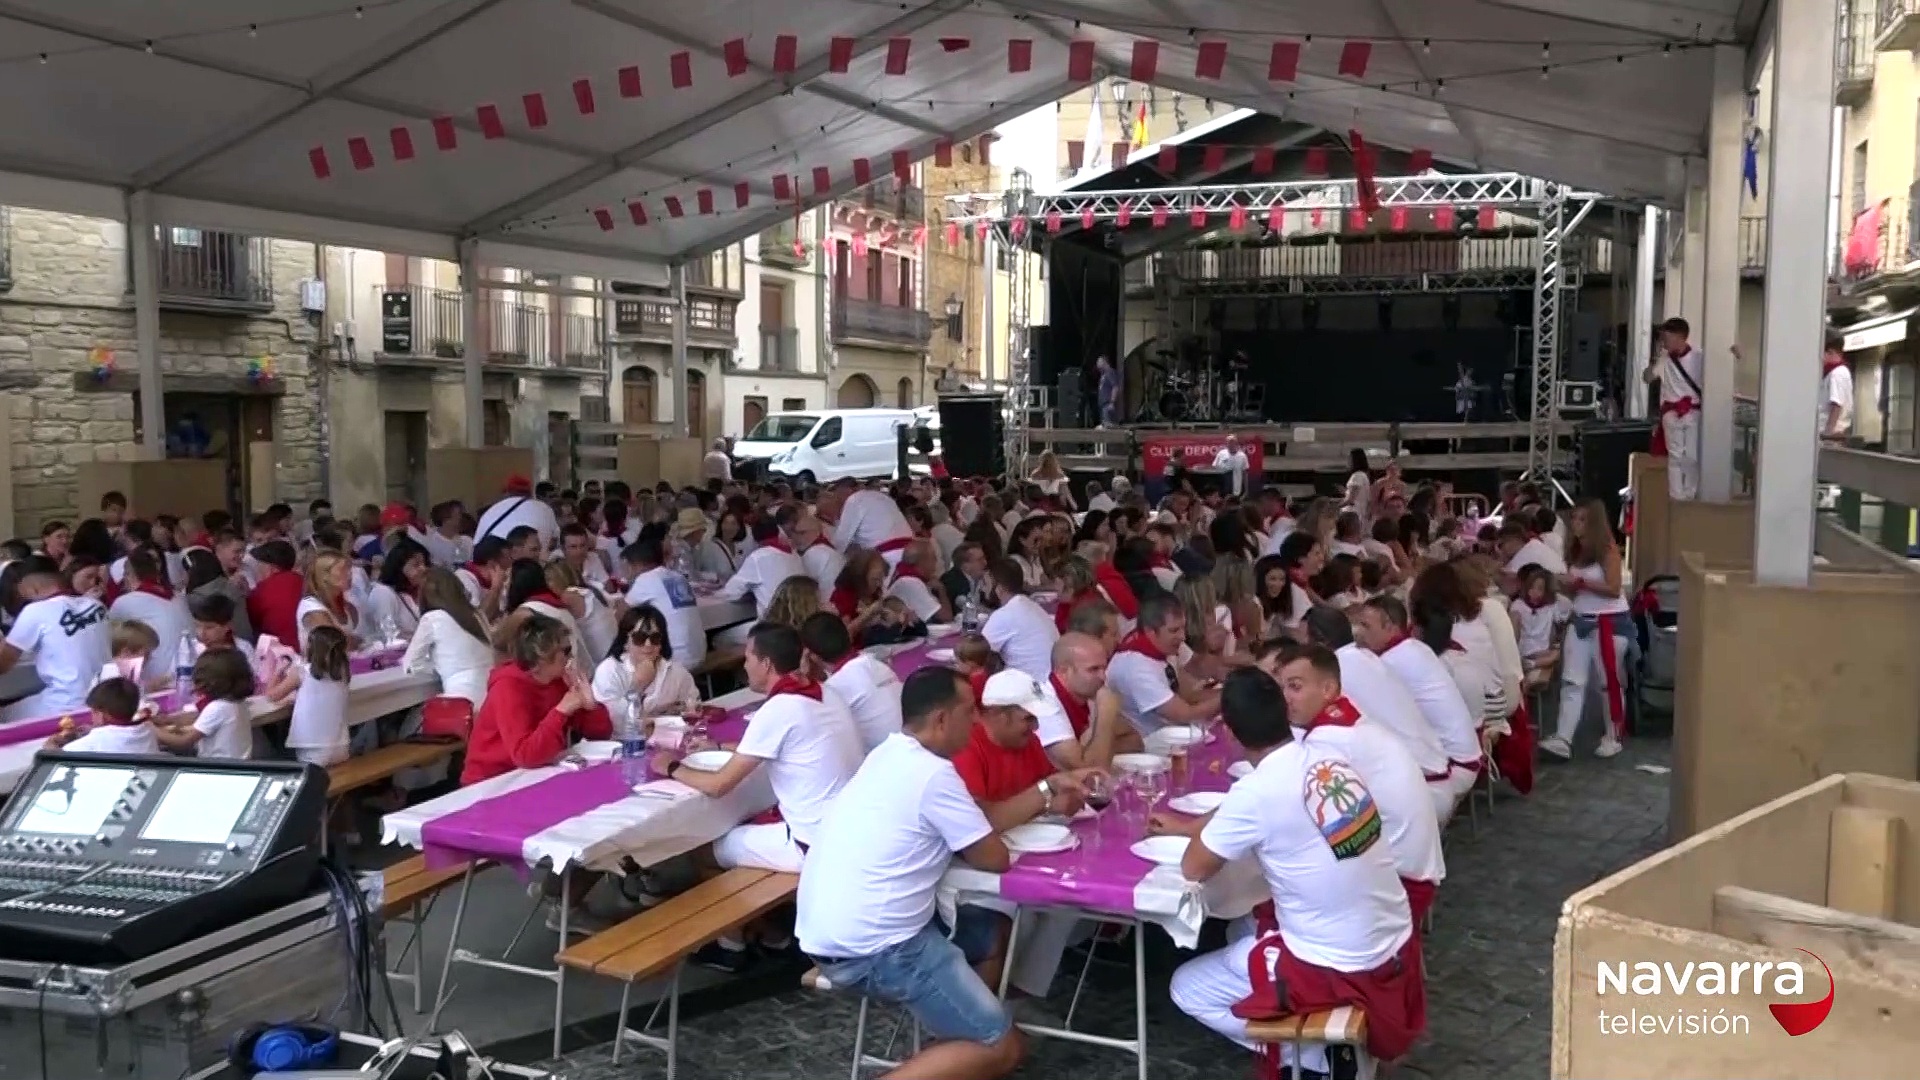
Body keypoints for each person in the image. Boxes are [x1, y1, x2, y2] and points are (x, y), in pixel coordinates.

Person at [1157, 668, 1424, 1079]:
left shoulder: (1258, 791)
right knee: (1245, 925)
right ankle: (1324, 1050)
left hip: (1338, 962)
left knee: (1187, 987)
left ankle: (1317, 1059)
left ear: (1229, 731)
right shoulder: (1327, 757)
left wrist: (1201, 829)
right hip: (1393, 936)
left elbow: (1193, 867)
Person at [795, 666, 1036, 1080]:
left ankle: (958, 1043)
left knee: (990, 931)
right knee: (1004, 1046)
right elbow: (995, 857)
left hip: (826, 934)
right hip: (883, 948)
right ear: (942, 720)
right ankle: (972, 1045)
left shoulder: (888, 753)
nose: (975, 720)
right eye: (968, 712)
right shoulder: (934, 774)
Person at [1260, 643, 1445, 924]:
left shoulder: (1330, 740)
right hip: (1413, 863)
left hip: (1399, 881)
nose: (1285, 698)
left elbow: (1288, 800)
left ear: (1328, 689)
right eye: (1282, 688)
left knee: (1277, 880)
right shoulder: (1346, 715)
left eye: (1295, 687)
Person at [664, 622, 862, 873]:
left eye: (748, 658)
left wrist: (671, 767)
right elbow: (782, 746)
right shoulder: (823, 691)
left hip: (815, 844)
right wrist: (717, 746)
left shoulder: (779, 709)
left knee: (705, 846)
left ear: (766, 663)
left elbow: (717, 786)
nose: (744, 666)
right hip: (852, 828)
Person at [1300, 606, 1454, 824]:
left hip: (1419, 790)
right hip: (1434, 776)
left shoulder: (1337, 673)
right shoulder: (1364, 657)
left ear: (1320, 643)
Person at [1353, 595, 1482, 809]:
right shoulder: (1414, 647)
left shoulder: (1392, 661)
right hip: (1466, 755)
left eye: (1366, 626)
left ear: (1390, 627)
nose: (1359, 632)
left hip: (1453, 766)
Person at [461, 614, 611, 785]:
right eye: (566, 651)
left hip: (533, 774)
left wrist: (590, 706)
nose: (571, 657)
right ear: (542, 658)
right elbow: (525, 755)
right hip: (490, 781)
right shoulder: (508, 688)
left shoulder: (557, 681)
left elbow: (600, 734)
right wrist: (560, 711)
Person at [1542, 498, 1631, 761]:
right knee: (1572, 680)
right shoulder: (1575, 550)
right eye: (1574, 519)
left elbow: (1614, 588)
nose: (1576, 524)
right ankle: (1563, 737)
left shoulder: (1608, 550)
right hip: (1581, 620)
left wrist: (1579, 582)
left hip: (1610, 623)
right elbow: (1579, 588)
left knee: (1609, 682)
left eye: (1583, 519)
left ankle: (1613, 735)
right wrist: (1564, 585)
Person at [0, 563, 112, 722]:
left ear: (31, 587)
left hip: (65, 704)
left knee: (3, 715)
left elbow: (3, 664)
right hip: (104, 699)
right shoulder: (97, 605)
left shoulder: (35, 611)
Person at [1106, 591, 1221, 736]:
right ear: (1150, 631)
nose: (1182, 636)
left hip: (1173, 734)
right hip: (1151, 747)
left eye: (1182, 628)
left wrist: (1230, 689)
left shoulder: (1159, 647)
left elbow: (1186, 695)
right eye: (1174, 630)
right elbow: (1185, 714)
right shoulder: (1136, 668)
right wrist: (1229, 697)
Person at [801, 611, 903, 752]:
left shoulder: (834, 689)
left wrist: (804, 678)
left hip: (882, 761)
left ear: (812, 656)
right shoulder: (877, 665)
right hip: (911, 752)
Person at [591, 604, 700, 728]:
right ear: (625, 642)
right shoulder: (609, 671)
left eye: (655, 638)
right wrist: (638, 685)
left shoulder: (676, 672)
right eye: (639, 638)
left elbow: (693, 708)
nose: (648, 644)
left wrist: (682, 710)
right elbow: (612, 723)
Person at [401, 568, 494, 706]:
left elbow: (410, 665)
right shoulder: (478, 615)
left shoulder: (432, 618)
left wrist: (441, 665)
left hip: (463, 702)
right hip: (492, 696)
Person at [263, 625, 352, 767]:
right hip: (341, 746)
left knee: (278, 749)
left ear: (311, 647)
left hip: (312, 750)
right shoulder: (343, 672)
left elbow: (271, 696)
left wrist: (278, 672)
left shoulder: (302, 671)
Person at [1035, 632, 1126, 770]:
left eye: (1104, 668)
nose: (1103, 677)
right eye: (1093, 669)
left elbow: (1134, 741)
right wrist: (1105, 718)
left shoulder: (1087, 694)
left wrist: (1091, 745)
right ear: (1063, 671)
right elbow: (1092, 776)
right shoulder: (1044, 706)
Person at [714, 518, 807, 646]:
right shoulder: (794, 555)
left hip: (770, 626)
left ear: (754, 537)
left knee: (718, 639)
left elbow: (731, 592)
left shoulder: (759, 556)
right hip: (798, 625)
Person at [621, 535, 707, 668]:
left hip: (674, 658)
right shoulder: (678, 576)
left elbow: (621, 615)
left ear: (636, 565)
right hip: (700, 653)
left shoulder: (646, 579)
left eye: (626, 567)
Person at [156, 648, 256, 759]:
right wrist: (170, 720)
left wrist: (151, 729)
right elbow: (203, 719)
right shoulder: (239, 703)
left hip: (218, 770)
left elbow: (183, 742)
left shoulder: (217, 708)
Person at [108, 547, 191, 678]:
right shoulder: (178, 597)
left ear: (130, 575)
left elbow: (109, 640)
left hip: (156, 678)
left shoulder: (124, 602)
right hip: (187, 668)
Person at [1646, 316, 1704, 501]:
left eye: (1667, 337)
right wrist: (1655, 359)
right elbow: (1648, 378)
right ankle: (1676, 495)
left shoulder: (1698, 356)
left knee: (1692, 455)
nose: (1664, 342)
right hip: (1671, 411)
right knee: (1675, 455)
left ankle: (1690, 492)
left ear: (1680, 336)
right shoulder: (1664, 358)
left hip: (1692, 410)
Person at [980, 558, 1058, 681]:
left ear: (999, 588)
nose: (983, 589)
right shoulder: (1031, 605)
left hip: (1031, 685)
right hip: (1048, 679)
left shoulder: (1005, 614)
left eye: (986, 584)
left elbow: (976, 652)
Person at [45, 677, 153, 755]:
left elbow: (59, 760)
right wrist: (92, 731)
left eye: (93, 712)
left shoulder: (91, 743)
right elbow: (119, 733)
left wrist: (50, 748)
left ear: (100, 715)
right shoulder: (147, 732)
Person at [820, 479, 914, 565]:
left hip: (888, 556)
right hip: (913, 551)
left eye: (836, 495)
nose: (836, 501)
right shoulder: (883, 497)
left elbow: (839, 544)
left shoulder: (854, 500)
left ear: (847, 490)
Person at [297, 550, 362, 651]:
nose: (350, 574)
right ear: (325, 576)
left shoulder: (346, 604)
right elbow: (336, 644)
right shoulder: (311, 608)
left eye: (349, 569)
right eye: (343, 570)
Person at [475, 474, 560, 549]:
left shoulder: (491, 511)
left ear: (506, 492)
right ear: (530, 493)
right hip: (536, 563)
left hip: (497, 562)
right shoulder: (544, 508)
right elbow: (555, 539)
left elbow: (476, 544)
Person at [366, 538, 428, 638]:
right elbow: (387, 635)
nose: (423, 568)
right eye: (416, 565)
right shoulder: (383, 592)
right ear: (399, 566)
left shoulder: (409, 593)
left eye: (424, 564)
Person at [887, 538, 952, 624]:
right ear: (923, 561)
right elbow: (946, 616)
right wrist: (941, 590)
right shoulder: (909, 582)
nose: (936, 562)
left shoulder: (913, 578)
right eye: (933, 558)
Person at [1096, 354, 1122, 426]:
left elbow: (1115, 387)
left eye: (1099, 362)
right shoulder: (1103, 375)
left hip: (1107, 403)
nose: (1097, 364)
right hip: (1103, 404)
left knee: (1108, 425)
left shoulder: (1110, 372)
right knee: (1104, 423)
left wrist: (1112, 402)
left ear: (1104, 362)